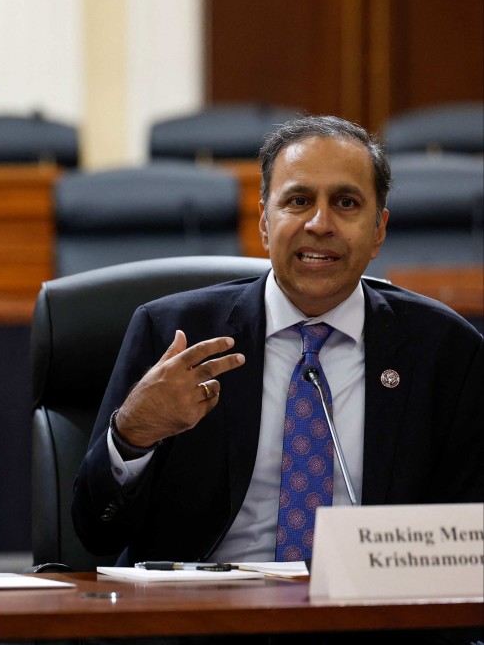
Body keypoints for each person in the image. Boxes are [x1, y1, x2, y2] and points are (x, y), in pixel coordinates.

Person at [72, 115, 483, 567]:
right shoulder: (174, 334)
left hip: (371, 622)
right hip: (204, 621)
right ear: (265, 223)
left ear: (379, 230)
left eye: (346, 202)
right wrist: (132, 435)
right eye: (299, 200)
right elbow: (96, 532)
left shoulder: (445, 351)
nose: (320, 223)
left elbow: (466, 544)